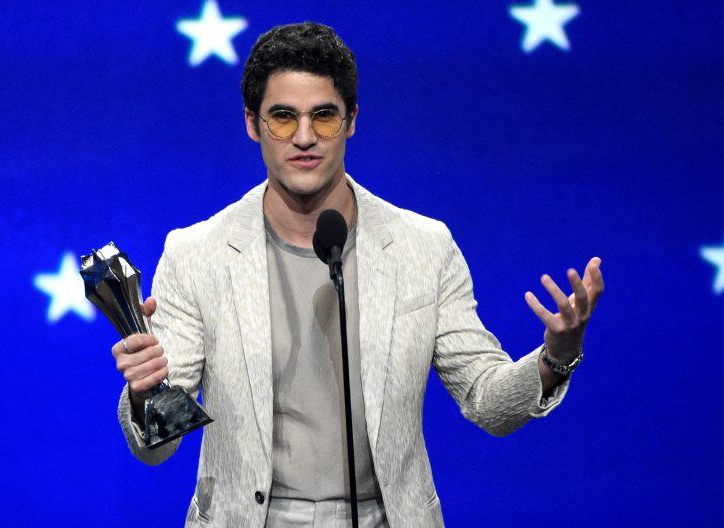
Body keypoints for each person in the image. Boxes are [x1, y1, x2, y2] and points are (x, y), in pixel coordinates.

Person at [111, 22, 604, 528]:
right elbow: (156, 449)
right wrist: (147, 392)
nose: (304, 137)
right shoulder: (197, 253)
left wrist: (555, 359)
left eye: (323, 116)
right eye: (283, 117)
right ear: (252, 124)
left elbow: (486, 400)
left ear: (351, 121)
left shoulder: (423, 247)